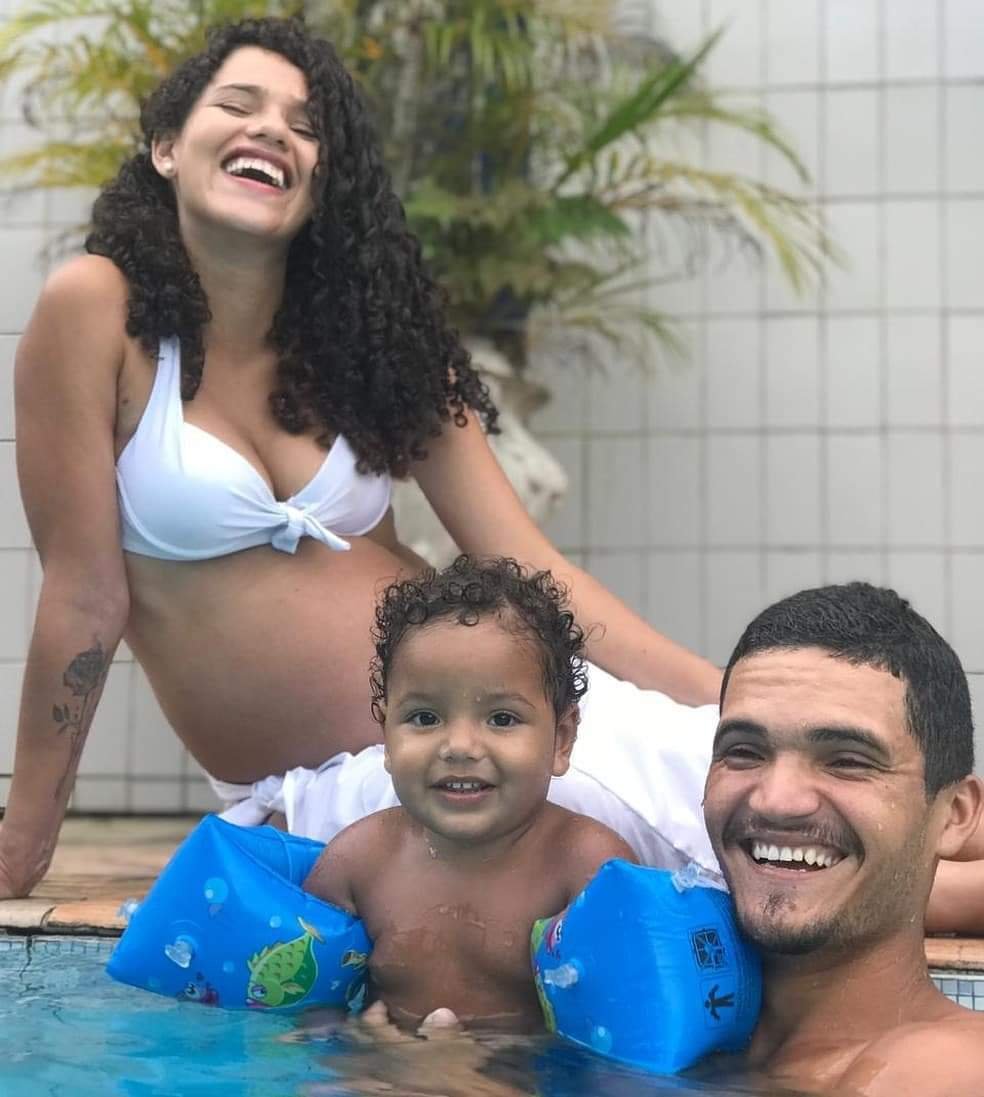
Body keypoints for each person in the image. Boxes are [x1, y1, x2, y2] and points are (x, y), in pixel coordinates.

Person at [7, 16, 721, 899]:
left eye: (306, 127)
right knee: (670, 843)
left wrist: (726, 698)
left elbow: (531, 567)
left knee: (750, 778)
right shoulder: (95, 310)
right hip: (353, 787)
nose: (272, 129)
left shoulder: (377, 339)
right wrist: (21, 845)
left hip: (506, 728)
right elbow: (85, 596)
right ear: (166, 148)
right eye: (238, 104)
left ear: (322, 184)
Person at [302, 556, 637, 1032]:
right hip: (385, 1064)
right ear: (387, 739)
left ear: (561, 740)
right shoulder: (357, 862)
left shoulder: (585, 867)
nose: (459, 746)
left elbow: (618, 1026)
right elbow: (310, 1017)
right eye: (424, 718)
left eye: (501, 719)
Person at [701, 582, 984, 1096]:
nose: (775, 800)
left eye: (847, 761)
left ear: (954, 815)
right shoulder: (679, 1035)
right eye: (744, 751)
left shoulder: (948, 1069)